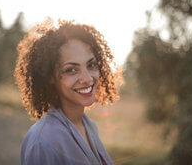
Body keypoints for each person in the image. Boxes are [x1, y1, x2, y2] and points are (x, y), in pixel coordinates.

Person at [14, 19, 120, 165]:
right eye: (71, 70)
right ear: (50, 77)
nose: (88, 79)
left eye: (91, 65)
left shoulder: (89, 126)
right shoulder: (42, 141)